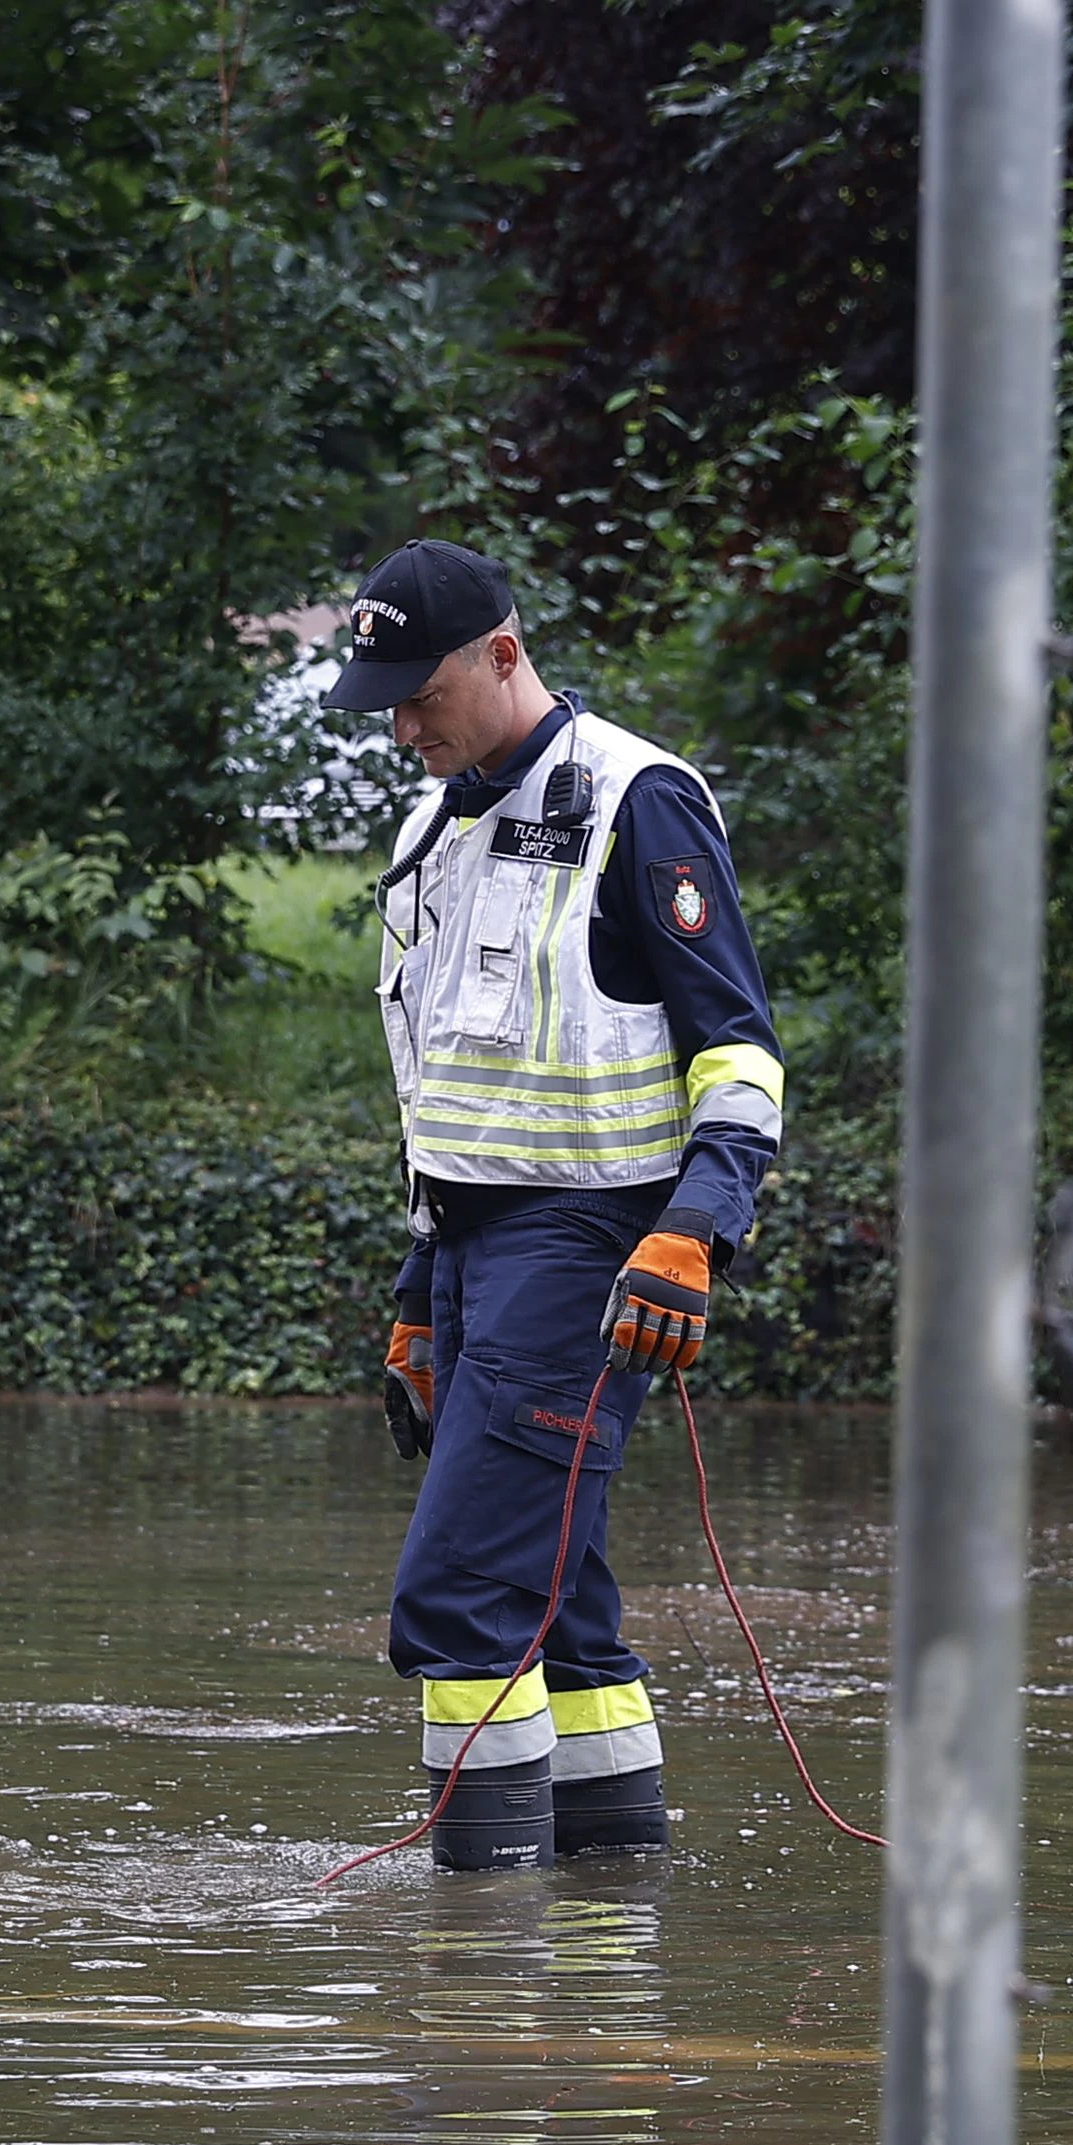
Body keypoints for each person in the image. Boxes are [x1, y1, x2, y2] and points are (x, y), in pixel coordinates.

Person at [327, 541, 784, 1870]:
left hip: (598, 1245)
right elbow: (445, 1094)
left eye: (422, 694)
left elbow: (740, 1050)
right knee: (556, 1599)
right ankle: (607, 1924)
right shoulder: (429, 833)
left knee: (461, 1594)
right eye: (385, 701)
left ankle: (472, 1971)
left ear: (506, 654)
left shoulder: (640, 801)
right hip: (471, 1247)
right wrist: (420, 1296)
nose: (405, 726)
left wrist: (695, 1228)